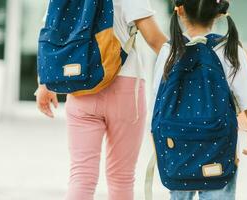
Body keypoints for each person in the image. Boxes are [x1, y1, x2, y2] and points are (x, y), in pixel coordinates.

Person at [36, 0, 167, 199]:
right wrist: (193, 62)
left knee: (81, 176)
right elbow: (156, 40)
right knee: (121, 178)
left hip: (82, 87)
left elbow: (52, 33)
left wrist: (44, 83)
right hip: (126, 86)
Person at [152, 0, 247, 199]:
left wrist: (157, 143)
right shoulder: (228, 48)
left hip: (177, 148)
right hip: (218, 148)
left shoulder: (169, 50)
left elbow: (157, 102)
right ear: (218, 13)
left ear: (179, 10)